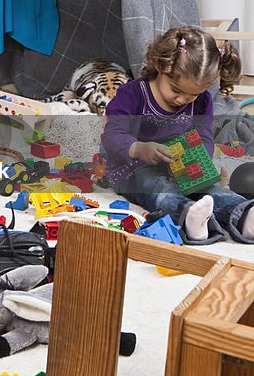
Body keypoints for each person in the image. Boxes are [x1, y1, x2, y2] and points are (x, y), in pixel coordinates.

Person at [102, 24, 254, 244]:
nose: (183, 100)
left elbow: (204, 136)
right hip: (132, 168)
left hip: (180, 166)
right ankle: (189, 219)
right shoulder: (134, 94)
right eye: (176, 89)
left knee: (210, 189)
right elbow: (112, 135)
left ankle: (244, 215)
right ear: (160, 65)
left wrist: (199, 159)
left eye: (192, 95)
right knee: (158, 188)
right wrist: (139, 148)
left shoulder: (202, 100)